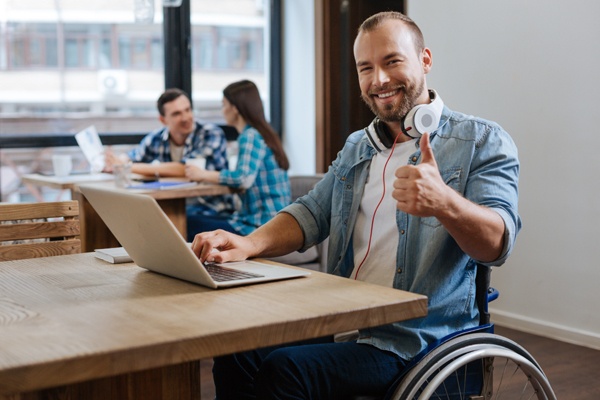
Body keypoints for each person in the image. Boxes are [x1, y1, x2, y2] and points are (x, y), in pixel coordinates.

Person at [192, 11, 522, 399]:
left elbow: (498, 245)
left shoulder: (482, 141)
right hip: (341, 324)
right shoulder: (358, 146)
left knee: (287, 372)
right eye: (366, 68)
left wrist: (444, 203)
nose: (378, 80)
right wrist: (248, 243)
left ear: (425, 60)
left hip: (415, 343)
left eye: (392, 61)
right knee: (236, 352)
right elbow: (312, 212)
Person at [184, 80, 291, 239]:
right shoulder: (262, 133)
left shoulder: (250, 136)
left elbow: (243, 178)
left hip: (259, 226)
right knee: (192, 214)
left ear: (234, 109)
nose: (222, 110)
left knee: (185, 222)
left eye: (223, 105)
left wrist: (203, 175)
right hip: (267, 221)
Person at [104, 88, 234, 215]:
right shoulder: (157, 138)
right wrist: (119, 160)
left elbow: (186, 169)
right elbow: (133, 155)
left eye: (187, 110)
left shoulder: (210, 133)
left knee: (156, 220)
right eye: (176, 114)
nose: (185, 117)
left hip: (211, 208)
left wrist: (129, 167)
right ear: (163, 120)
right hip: (175, 206)